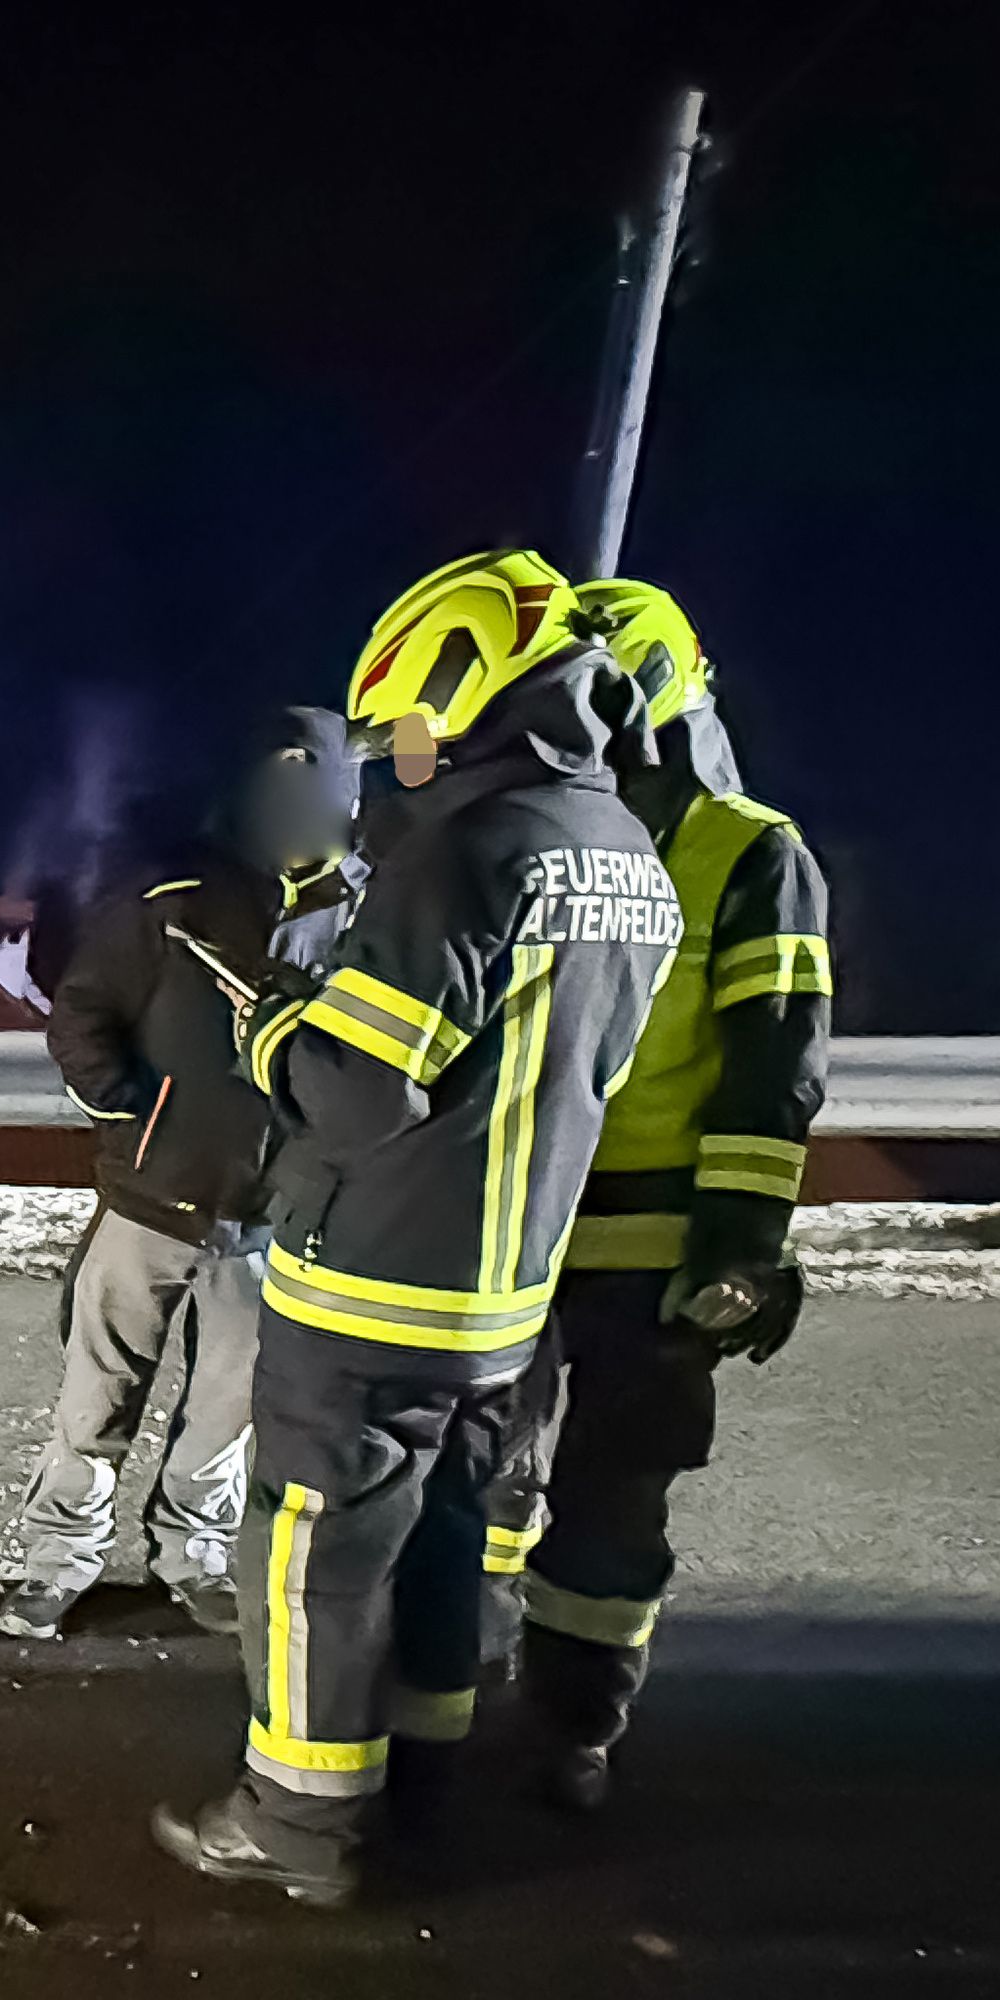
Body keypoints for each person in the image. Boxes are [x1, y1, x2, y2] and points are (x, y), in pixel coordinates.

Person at [151, 549, 679, 1907]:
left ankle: (298, 1821)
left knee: (311, 1553)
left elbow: (356, 1091)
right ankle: (425, 1772)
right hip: (507, 1292)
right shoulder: (629, 852)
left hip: (376, 1272)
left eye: (404, 727)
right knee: (445, 1531)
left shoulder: (465, 851)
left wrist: (278, 1033)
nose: (398, 755)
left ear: (464, 685)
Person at [481, 580, 831, 1811]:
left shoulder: (751, 851)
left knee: (616, 1492)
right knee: (477, 1475)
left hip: (651, 1237)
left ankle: (570, 1725)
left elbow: (775, 1062)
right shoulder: (530, 828)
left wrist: (740, 1241)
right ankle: (458, 1686)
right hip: (516, 1218)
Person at [0, 709, 363, 1641]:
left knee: (227, 1412)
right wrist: (134, 1118)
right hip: (149, 1204)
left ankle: (193, 1558)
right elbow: (81, 1013)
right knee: (96, 1399)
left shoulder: (366, 917)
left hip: (273, 1217)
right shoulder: (172, 897)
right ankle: (57, 1562)